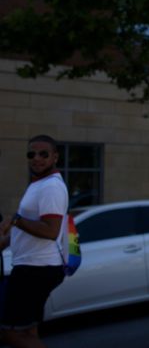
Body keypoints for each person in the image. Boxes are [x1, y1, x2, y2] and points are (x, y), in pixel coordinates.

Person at [0, 135, 68, 348]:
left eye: (43, 154)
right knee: (28, 330)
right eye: (31, 154)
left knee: (8, 333)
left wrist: (17, 220)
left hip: (35, 269)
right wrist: (5, 241)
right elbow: (28, 228)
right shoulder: (38, 184)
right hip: (32, 265)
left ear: (55, 157)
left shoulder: (51, 187)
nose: (36, 158)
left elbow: (50, 230)